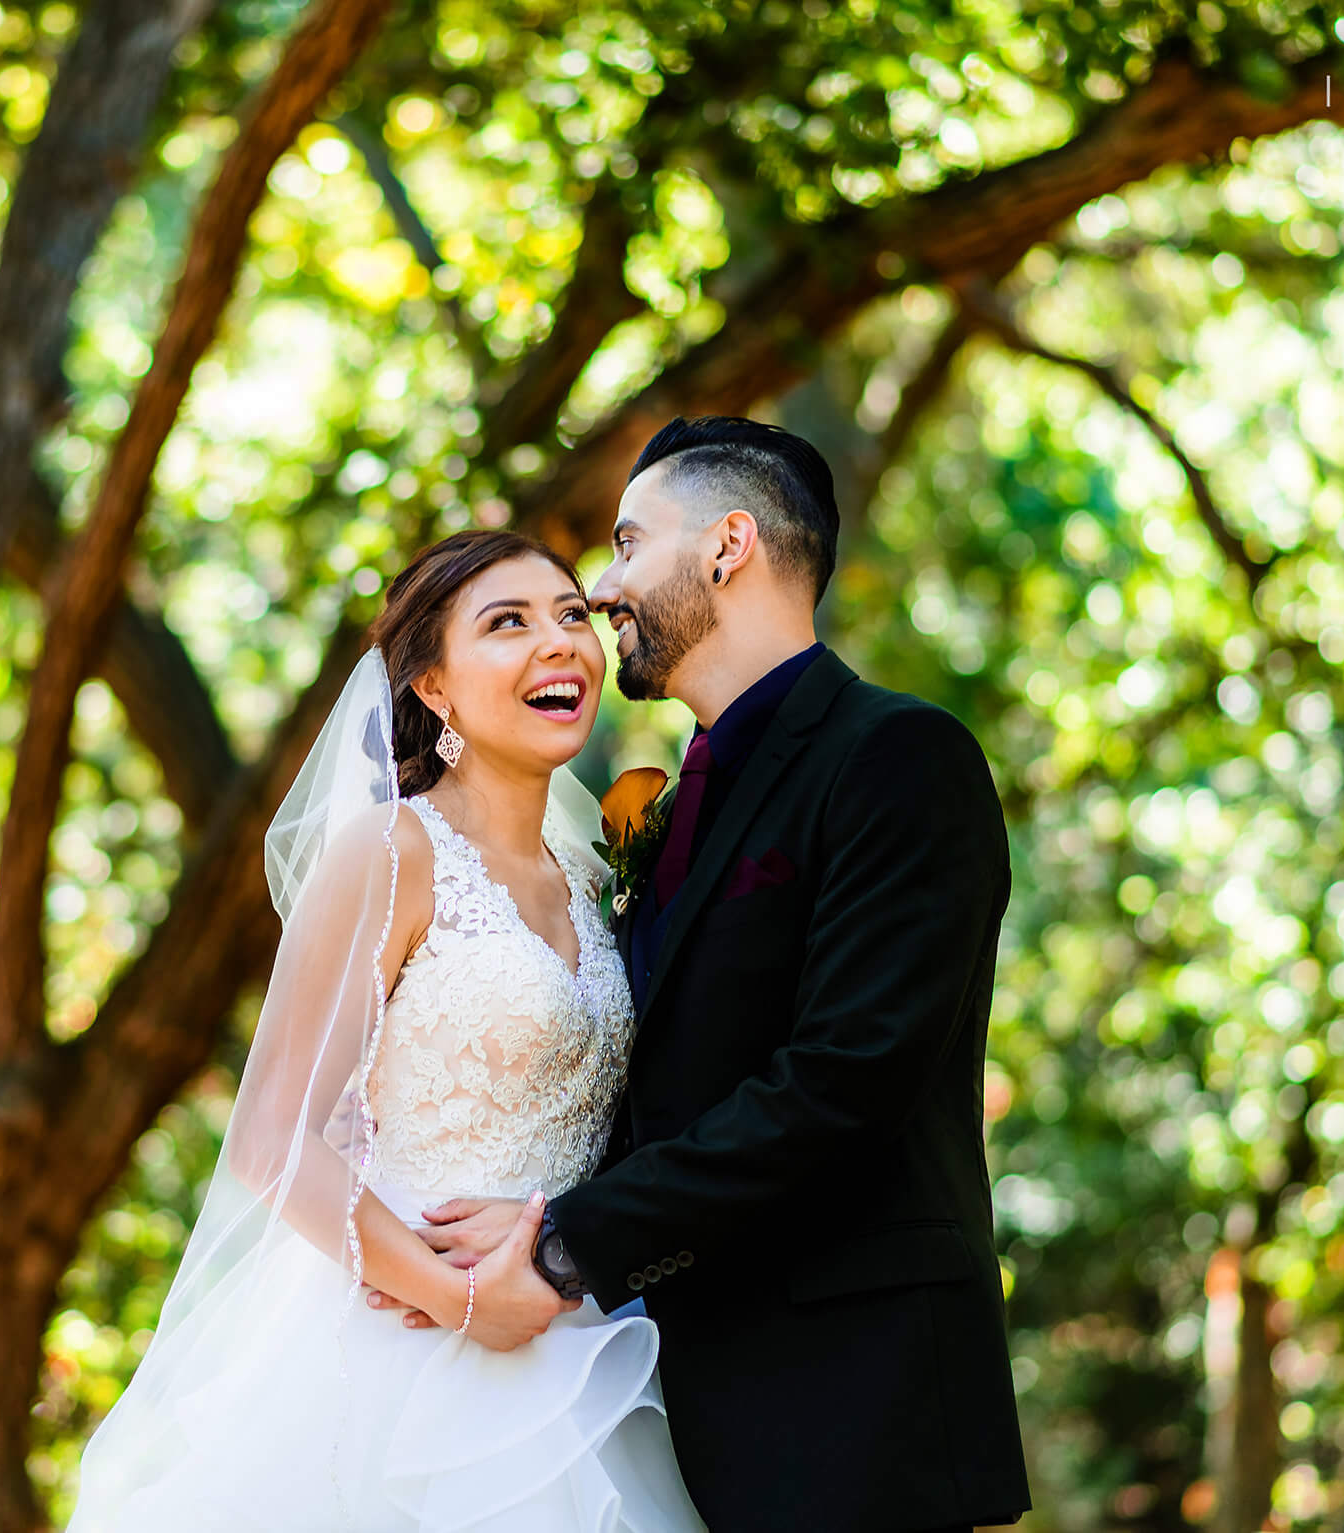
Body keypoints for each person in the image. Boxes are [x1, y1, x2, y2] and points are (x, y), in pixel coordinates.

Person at [399, 418, 1033, 1532]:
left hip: (850, 1408)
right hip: (665, 1402)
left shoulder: (895, 759)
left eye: (626, 544)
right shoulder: (657, 809)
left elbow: (842, 1084)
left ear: (727, 546)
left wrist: (560, 1245)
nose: (603, 590)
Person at [66, 529, 704, 1531]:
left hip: (572, 1340)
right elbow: (271, 1139)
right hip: (397, 1348)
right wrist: (461, 1305)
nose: (559, 643)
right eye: (507, 623)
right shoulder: (391, 851)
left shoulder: (593, 877)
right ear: (435, 691)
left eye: (570, 614)